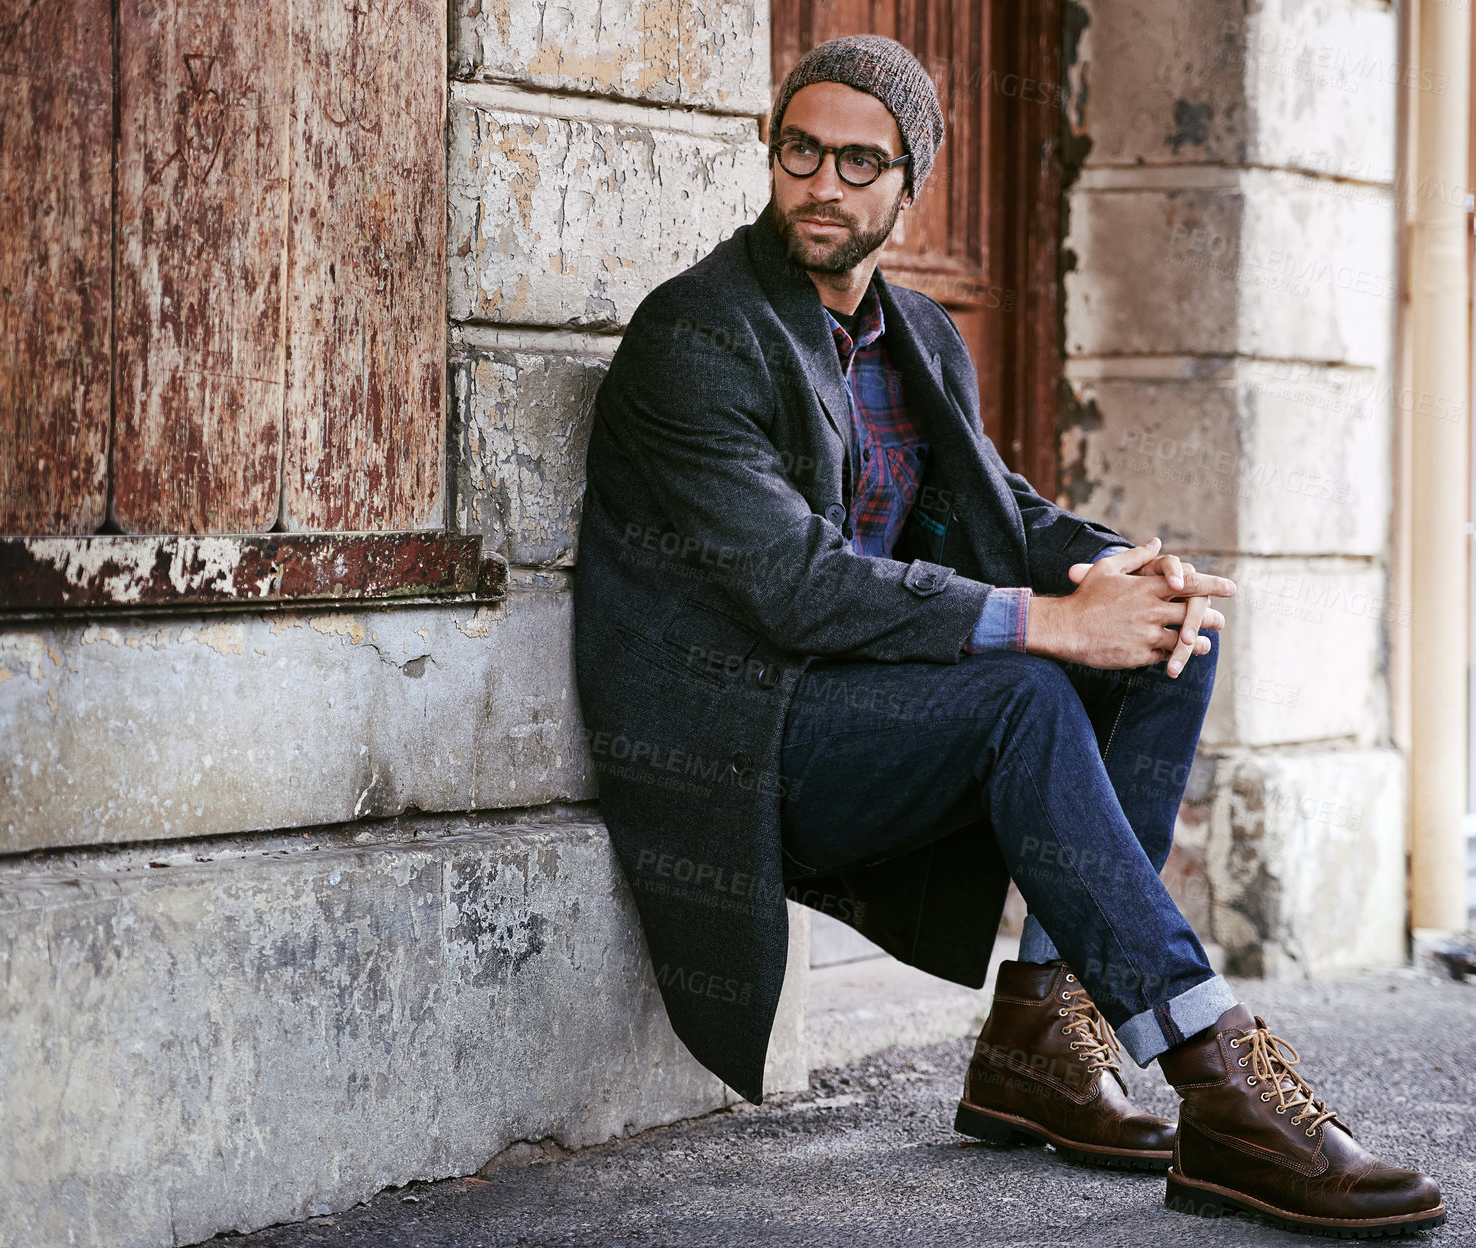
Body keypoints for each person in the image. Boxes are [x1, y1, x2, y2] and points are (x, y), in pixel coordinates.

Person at [572, 34, 1444, 1238]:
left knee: (1164, 641)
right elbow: (793, 586)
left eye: (860, 162)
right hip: (743, 741)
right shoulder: (702, 334)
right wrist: (1046, 624)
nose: (824, 184)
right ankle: (1217, 1074)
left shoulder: (917, 334)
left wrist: (1125, 572)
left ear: (909, 186)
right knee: (1024, 691)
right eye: (801, 151)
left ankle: (1042, 1032)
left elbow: (999, 512)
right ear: (771, 156)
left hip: (877, 713)